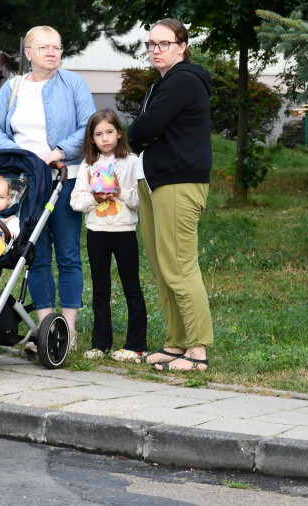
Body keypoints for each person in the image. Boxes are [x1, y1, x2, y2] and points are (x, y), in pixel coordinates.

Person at [0, 25, 96, 352]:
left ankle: (69, 332)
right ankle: (46, 330)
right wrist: (19, 155)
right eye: (45, 47)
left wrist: (57, 152)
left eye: (57, 47)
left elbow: (88, 126)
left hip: (65, 178)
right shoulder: (13, 87)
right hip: (25, 183)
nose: (52, 53)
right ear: (28, 53)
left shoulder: (73, 83)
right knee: (35, 256)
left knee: (68, 254)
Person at [128, 18, 213, 373]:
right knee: (163, 268)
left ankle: (197, 351)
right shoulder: (163, 83)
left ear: (182, 46)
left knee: (179, 266)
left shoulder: (183, 80)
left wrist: (140, 134)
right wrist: (143, 135)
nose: (156, 50)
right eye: (151, 44)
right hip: (156, 180)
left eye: (164, 43)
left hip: (178, 181)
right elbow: (146, 131)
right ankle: (175, 343)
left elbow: (143, 128)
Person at [70, 109, 146, 362]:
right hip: (97, 233)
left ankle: (136, 345)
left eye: (109, 132)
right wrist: (96, 197)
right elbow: (76, 202)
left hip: (124, 232)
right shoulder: (88, 165)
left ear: (119, 133)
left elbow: (140, 201)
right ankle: (100, 344)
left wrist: (118, 192)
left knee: (131, 287)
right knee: (100, 289)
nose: (105, 138)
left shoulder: (133, 161)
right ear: (91, 139)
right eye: (98, 134)